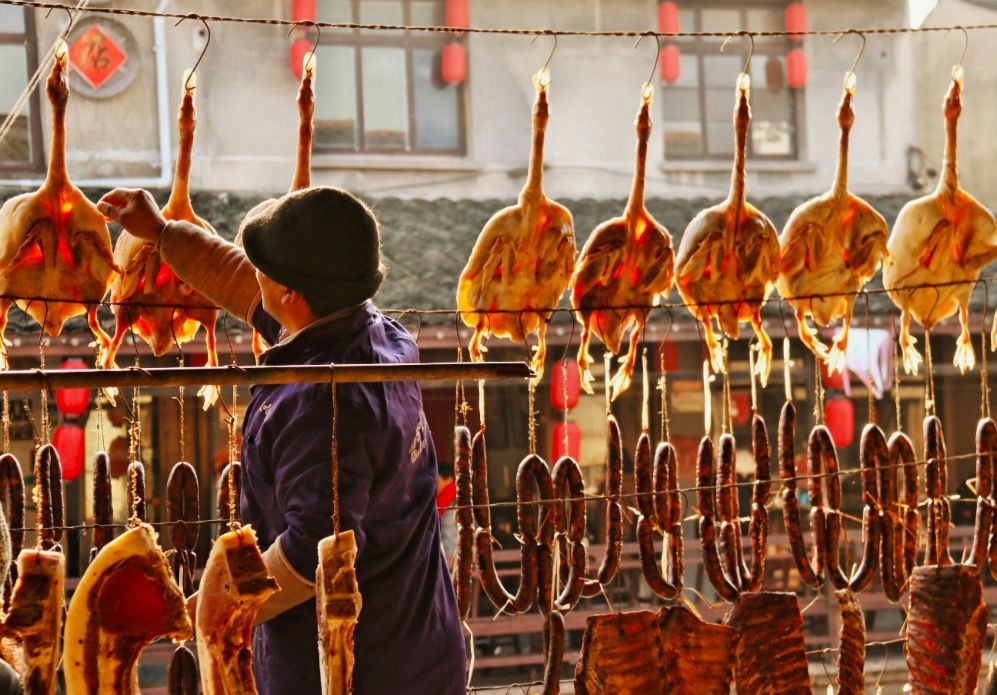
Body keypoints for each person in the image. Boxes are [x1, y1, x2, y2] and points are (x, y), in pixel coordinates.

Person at [97, 187, 466, 695]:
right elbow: (241, 284)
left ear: (291, 294)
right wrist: (162, 233)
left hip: (363, 669)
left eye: (266, 269)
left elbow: (310, 550)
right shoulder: (373, 333)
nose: (256, 275)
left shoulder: (323, 402)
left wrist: (204, 611)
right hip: (423, 645)